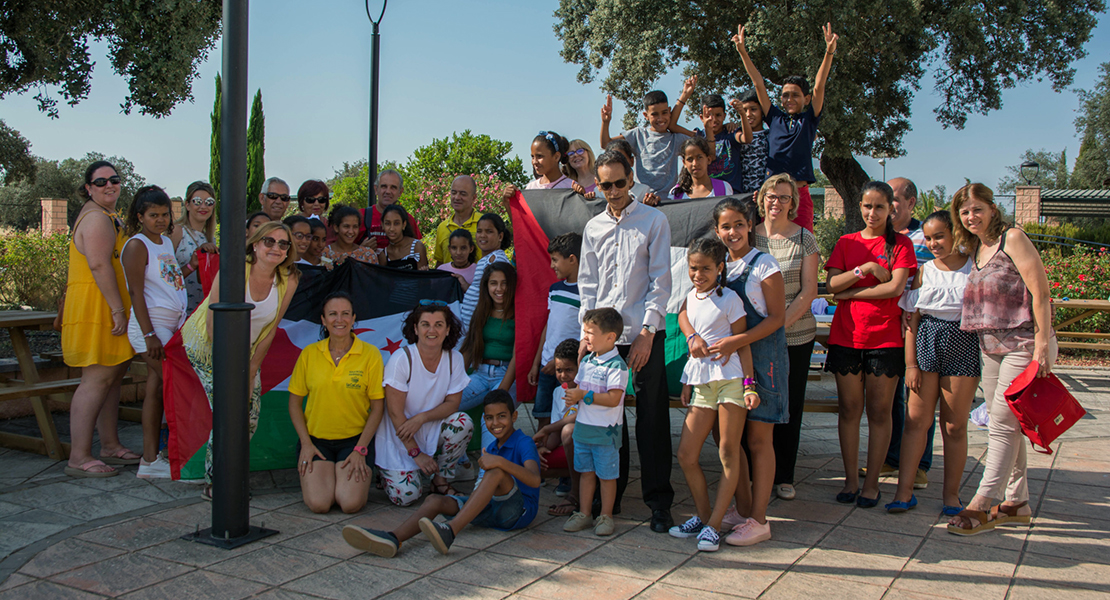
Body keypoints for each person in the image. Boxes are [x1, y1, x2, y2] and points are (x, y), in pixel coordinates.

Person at [947, 183, 1056, 535]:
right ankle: (1016, 501)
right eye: (964, 212)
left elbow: (1040, 292)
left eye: (977, 209)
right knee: (1007, 423)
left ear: (993, 209)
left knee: (1002, 424)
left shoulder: (1013, 239)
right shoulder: (977, 249)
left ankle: (982, 502)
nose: (971, 216)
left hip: (1024, 342)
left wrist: (1042, 345)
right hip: (991, 346)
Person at [578, 150, 675, 533]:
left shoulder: (655, 221)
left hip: (643, 334)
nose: (614, 191)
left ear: (631, 179)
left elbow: (661, 281)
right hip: (603, 339)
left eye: (620, 183)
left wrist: (648, 334)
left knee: (652, 421)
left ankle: (659, 503)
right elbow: (587, 285)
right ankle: (608, 502)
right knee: (605, 420)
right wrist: (588, 335)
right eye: (606, 185)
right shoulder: (593, 228)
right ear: (597, 185)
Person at [180, 221, 300, 496]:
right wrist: (230, 373)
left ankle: (229, 472)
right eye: (269, 241)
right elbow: (213, 325)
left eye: (283, 244)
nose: (276, 248)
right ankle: (218, 481)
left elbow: (271, 330)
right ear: (255, 244)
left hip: (246, 350)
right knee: (230, 411)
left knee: (249, 417)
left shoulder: (289, 278)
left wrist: (251, 369)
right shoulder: (235, 270)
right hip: (208, 345)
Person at [343, 390, 540, 557]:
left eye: (502, 416)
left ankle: (451, 530)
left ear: (514, 417)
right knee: (435, 500)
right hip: (492, 510)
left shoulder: (524, 442)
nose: (495, 423)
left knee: (496, 472)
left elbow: (534, 479)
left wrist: (500, 462)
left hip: (518, 513)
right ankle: (394, 538)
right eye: (489, 418)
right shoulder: (492, 446)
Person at [695, 196, 788, 546]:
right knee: (728, 440)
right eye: (725, 226)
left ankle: (761, 520)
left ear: (750, 225)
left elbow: (777, 319)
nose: (732, 232)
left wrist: (737, 341)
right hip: (727, 365)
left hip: (763, 359)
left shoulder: (764, 265)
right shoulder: (717, 267)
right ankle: (744, 507)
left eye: (738, 224)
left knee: (759, 440)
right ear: (716, 231)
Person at [823, 181, 916, 508]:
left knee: (880, 412)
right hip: (847, 337)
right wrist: (866, 269)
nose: (872, 212)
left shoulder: (902, 244)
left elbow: (894, 289)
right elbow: (832, 283)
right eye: (866, 206)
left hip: (885, 339)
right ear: (859, 207)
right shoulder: (846, 242)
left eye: (879, 206)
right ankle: (850, 480)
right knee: (849, 410)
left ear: (891, 208)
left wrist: (852, 292)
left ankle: (872, 483)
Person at [888, 210, 979, 515]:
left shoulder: (973, 267)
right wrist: (910, 364)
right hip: (927, 341)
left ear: (956, 233)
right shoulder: (925, 272)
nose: (933, 243)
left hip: (963, 343)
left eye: (939, 235)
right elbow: (911, 319)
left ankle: (951, 496)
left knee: (954, 425)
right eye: (928, 238)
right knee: (916, 421)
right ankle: (904, 492)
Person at [672, 238, 759, 552]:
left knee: (727, 450)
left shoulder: (731, 299)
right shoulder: (689, 297)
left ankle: (713, 525)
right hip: (702, 383)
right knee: (686, 454)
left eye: (706, 268)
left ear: (720, 267)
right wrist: (687, 380)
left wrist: (749, 384)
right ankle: (705, 516)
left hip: (732, 379)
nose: (698, 274)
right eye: (693, 268)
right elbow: (686, 320)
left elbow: (743, 343)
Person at [62, 161, 138, 478]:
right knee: (96, 380)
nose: (110, 185)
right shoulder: (95, 218)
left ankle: (109, 445)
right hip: (98, 308)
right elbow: (98, 265)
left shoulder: (108, 216)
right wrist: (118, 309)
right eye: (101, 181)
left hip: (107, 305)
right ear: (89, 188)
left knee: (112, 379)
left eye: (115, 179)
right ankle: (78, 456)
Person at [733, 23, 839, 231]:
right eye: (785, 95)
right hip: (772, 194)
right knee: (768, 242)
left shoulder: (809, 120)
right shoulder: (774, 118)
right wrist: (743, 52)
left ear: (806, 99)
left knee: (803, 242)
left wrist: (829, 52)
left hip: (800, 193)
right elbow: (758, 83)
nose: (789, 99)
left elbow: (819, 85)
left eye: (795, 95)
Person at [753, 174, 819, 501]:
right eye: (771, 196)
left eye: (783, 197)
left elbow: (809, 290)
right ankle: (757, 471)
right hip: (755, 337)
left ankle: (784, 475)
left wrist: (778, 325)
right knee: (759, 403)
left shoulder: (805, 239)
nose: (776, 202)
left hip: (795, 336)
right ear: (761, 198)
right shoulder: (748, 237)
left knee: (789, 405)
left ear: (793, 203)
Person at [288, 292, 385, 514]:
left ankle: (341, 476)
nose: (339, 320)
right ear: (323, 319)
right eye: (332, 314)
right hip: (316, 443)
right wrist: (306, 443)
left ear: (353, 319)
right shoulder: (309, 354)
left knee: (350, 504)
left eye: (345, 314)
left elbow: (377, 408)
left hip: (354, 442)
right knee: (319, 505)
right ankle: (329, 475)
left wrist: (361, 449)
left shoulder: (370, 355)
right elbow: (294, 405)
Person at [374, 303, 474, 506]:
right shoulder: (402, 359)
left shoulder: (454, 358)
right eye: (425, 324)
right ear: (415, 329)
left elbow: (453, 404)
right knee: (407, 497)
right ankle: (385, 473)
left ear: (447, 330)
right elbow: (395, 414)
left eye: (438, 324)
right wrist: (416, 454)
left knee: (462, 423)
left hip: (429, 428)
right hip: (399, 436)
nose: (432, 330)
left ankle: (440, 480)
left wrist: (421, 418)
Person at [872, 177, 936, 488]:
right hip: (887, 329)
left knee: (921, 397)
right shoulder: (879, 238)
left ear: (911, 203)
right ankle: (894, 457)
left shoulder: (929, 237)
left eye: (893, 199)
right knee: (893, 399)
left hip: (920, 328)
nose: (888, 204)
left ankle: (920, 463)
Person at [121, 186, 188, 480]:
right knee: (173, 385)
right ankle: (154, 458)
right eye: (153, 215)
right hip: (150, 328)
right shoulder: (137, 245)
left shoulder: (163, 243)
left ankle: (152, 459)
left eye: (164, 215)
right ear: (140, 216)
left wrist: (191, 268)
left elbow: (166, 282)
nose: (160, 220)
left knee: (156, 388)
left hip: (169, 326)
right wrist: (150, 335)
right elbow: (136, 292)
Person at [562, 308, 629, 537]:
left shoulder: (617, 366)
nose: (586, 337)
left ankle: (606, 516)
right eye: (584, 332)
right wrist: (573, 397)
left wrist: (584, 396)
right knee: (586, 473)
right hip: (583, 430)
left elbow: (614, 399)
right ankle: (584, 513)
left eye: (590, 333)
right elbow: (579, 388)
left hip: (605, 433)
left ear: (610, 337)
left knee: (607, 476)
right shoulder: (588, 361)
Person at [459, 263, 518, 453]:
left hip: (507, 374)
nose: (499, 289)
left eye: (504, 283)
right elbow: (469, 347)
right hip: (480, 374)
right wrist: (453, 379)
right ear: (486, 286)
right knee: (443, 405)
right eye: (493, 283)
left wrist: (502, 391)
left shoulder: (518, 313)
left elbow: (519, 355)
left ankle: (486, 478)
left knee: (492, 422)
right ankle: (459, 462)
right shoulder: (481, 310)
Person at [528, 232, 582, 432]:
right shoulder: (554, 289)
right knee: (542, 415)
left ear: (572, 259)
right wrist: (536, 363)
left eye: (555, 260)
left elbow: (583, 335)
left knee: (568, 414)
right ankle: (544, 455)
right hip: (545, 365)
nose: (551, 266)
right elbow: (548, 327)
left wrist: (560, 363)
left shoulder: (587, 292)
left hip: (568, 368)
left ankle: (565, 454)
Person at [668, 77, 749, 194]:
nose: (714, 119)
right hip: (708, 194)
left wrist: (742, 114)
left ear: (724, 116)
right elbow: (672, 125)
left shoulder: (730, 134)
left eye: (718, 115)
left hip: (733, 194)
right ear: (701, 117)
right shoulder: (699, 136)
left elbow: (747, 138)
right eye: (709, 115)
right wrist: (685, 95)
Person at [601, 91, 691, 196]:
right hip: (643, 198)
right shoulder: (638, 135)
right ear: (646, 115)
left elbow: (702, 143)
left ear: (670, 111)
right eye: (655, 114)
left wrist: (684, 96)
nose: (660, 118)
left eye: (664, 112)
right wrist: (605, 122)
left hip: (669, 199)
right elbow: (606, 144)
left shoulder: (677, 138)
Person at [533, 339, 582, 517]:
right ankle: (576, 478)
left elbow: (580, 418)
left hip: (587, 446)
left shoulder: (587, 388)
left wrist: (547, 429)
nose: (563, 375)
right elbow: (555, 430)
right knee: (534, 463)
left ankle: (575, 494)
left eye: (569, 370)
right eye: (559, 370)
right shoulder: (558, 392)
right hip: (567, 447)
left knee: (569, 431)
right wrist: (543, 447)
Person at [170, 181, 218, 314]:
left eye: (209, 202)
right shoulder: (177, 231)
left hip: (199, 312)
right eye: (197, 201)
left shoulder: (210, 238)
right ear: (187, 204)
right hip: (177, 310)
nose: (203, 206)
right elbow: (164, 274)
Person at [458, 213, 512, 331]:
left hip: (481, 326)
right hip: (471, 325)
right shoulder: (488, 259)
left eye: (489, 231)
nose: (482, 235)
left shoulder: (496, 260)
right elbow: (481, 289)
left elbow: (497, 295)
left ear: (500, 236)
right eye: (479, 231)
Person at [357, 169, 422, 248]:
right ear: (376, 189)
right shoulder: (360, 216)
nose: (388, 191)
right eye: (384, 186)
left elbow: (418, 250)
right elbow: (340, 251)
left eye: (393, 187)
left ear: (400, 192)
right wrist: (360, 250)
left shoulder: (408, 219)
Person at [432, 175, 484, 266]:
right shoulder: (443, 227)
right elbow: (440, 263)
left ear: (474, 197)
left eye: (463, 194)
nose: (457, 197)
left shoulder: (484, 223)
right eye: (454, 193)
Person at [670, 136, 735, 199]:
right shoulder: (676, 193)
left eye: (699, 157)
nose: (695, 164)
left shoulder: (723, 188)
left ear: (708, 159)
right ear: (684, 163)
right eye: (690, 159)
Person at [732, 90, 770, 195]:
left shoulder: (770, 134)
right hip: (742, 195)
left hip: (766, 194)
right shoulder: (737, 134)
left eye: (753, 109)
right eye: (744, 110)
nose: (748, 114)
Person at [605, 139, 659, 206]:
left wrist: (650, 202)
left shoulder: (644, 191)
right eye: (613, 161)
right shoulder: (600, 193)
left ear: (632, 161)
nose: (618, 165)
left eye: (622, 160)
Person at [375, 204, 428, 270]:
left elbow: (424, 277)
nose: (392, 228)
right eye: (387, 223)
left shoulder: (416, 247)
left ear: (404, 225)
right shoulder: (384, 255)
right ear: (382, 225)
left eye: (396, 223)